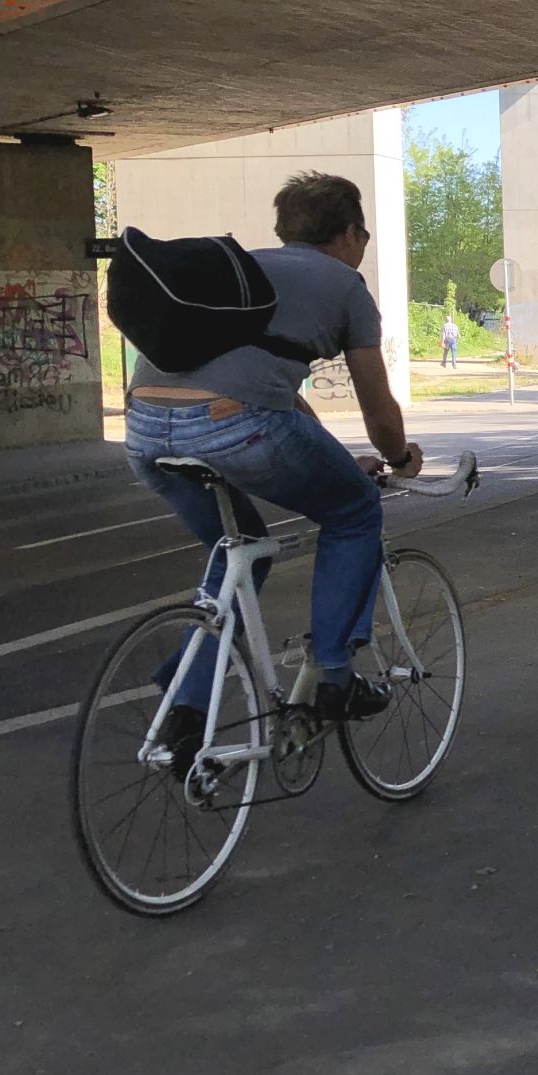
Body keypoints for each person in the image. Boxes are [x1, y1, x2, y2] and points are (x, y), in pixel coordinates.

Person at [124, 173, 424, 759]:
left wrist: (333, 458)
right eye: (363, 234)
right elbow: (376, 402)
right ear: (347, 233)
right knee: (355, 513)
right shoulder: (344, 283)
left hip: (144, 430)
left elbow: (277, 389)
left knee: (238, 550)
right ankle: (334, 681)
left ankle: (186, 711)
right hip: (237, 423)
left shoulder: (240, 268)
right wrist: (395, 456)